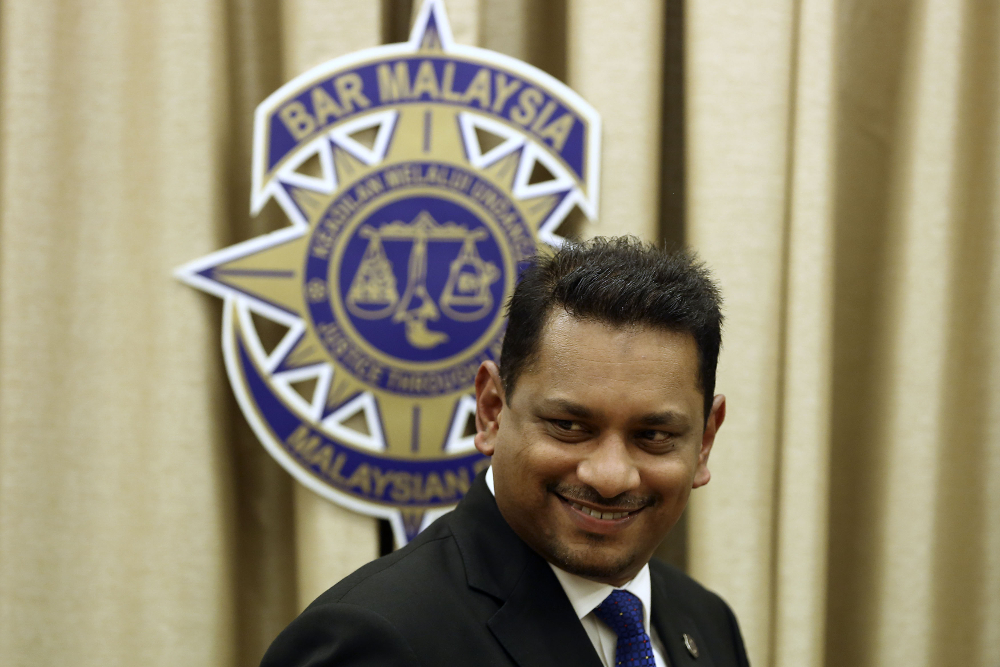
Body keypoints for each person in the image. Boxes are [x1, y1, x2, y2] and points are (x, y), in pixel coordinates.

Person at [260, 237, 749, 667]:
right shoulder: (376, 640)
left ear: (704, 442)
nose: (610, 475)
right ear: (492, 411)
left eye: (654, 436)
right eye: (569, 426)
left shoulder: (706, 622)